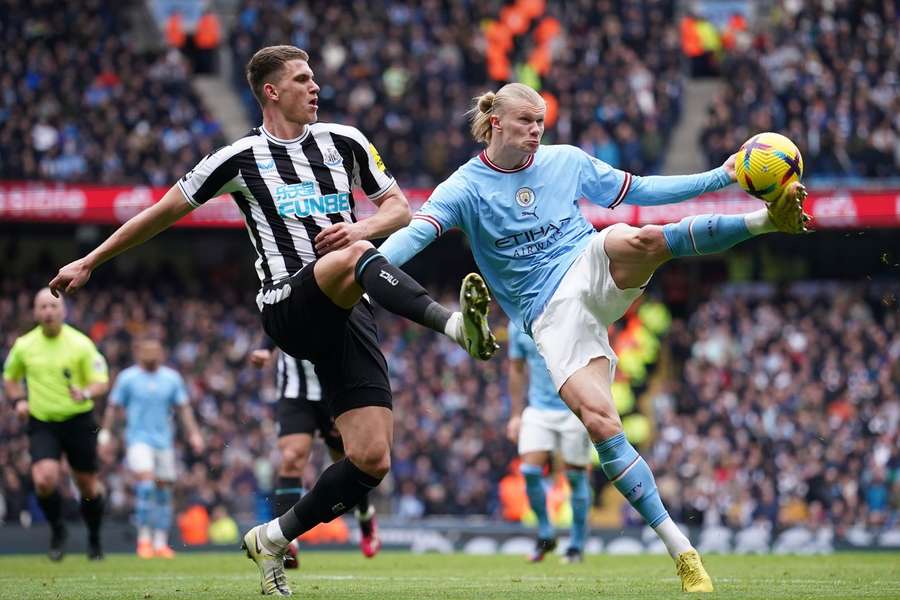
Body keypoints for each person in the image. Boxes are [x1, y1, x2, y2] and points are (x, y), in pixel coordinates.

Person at [49, 45, 495, 596]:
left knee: (371, 459)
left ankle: (272, 538)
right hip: (287, 303)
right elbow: (160, 214)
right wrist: (89, 260)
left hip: (347, 308)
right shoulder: (237, 158)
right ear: (271, 91)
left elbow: (399, 208)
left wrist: (360, 229)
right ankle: (456, 328)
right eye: (302, 79)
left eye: (314, 78)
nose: (315, 88)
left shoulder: (346, 142)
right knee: (351, 261)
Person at [353, 83, 810, 593]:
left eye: (541, 123)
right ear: (495, 121)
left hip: (587, 261)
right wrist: (365, 270)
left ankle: (766, 220)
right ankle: (683, 552)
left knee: (642, 237)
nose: (535, 131)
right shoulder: (464, 187)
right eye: (526, 121)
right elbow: (416, 233)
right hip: (547, 316)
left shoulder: (565, 160)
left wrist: (721, 175)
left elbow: (641, 191)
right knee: (602, 422)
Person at [249, 337, 381, 568]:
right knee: (291, 457)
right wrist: (265, 348)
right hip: (295, 391)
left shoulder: (339, 299)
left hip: (336, 388)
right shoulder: (289, 300)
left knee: (352, 462)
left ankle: (365, 515)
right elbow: (277, 307)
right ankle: (286, 542)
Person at [2, 288, 110, 561]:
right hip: (42, 422)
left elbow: (101, 381)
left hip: (78, 420)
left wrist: (85, 392)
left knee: (87, 485)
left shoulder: (81, 344)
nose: (48, 311)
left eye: (53, 306)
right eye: (43, 307)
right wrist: (18, 402)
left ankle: (94, 538)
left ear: (64, 311)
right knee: (44, 479)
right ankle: (57, 530)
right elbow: (10, 378)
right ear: (35, 312)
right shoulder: (24, 345)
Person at [99, 337, 204, 558]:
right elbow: (113, 407)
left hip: (164, 444)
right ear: (138, 352)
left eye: (155, 350)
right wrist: (106, 433)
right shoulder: (128, 378)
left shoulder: (171, 378)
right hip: (138, 441)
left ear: (162, 352)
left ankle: (160, 542)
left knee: (164, 492)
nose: (151, 354)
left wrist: (194, 434)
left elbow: (183, 408)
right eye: (146, 350)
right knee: (146, 486)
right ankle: (144, 540)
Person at [506, 321, 592, 564]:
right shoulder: (518, 324)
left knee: (575, 476)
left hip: (574, 408)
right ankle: (546, 534)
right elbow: (516, 369)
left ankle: (576, 545)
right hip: (538, 409)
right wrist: (515, 415)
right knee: (530, 471)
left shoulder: (568, 314)